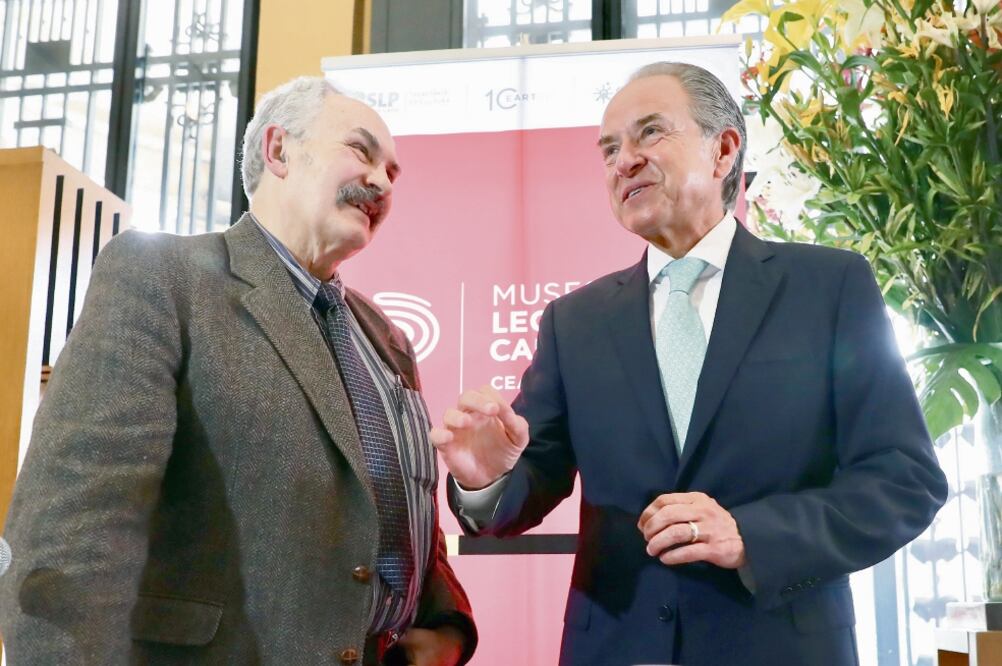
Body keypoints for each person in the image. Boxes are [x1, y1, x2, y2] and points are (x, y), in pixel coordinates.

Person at [432, 62, 947, 665]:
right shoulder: (575, 321)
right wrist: (484, 481)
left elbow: (903, 481)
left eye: (650, 133)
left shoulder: (827, 287)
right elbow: (530, 479)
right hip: (617, 648)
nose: (624, 162)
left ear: (723, 150)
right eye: (609, 150)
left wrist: (751, 535)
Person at [0, 76, 476, 666]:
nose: (381, 181)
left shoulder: (387, 338)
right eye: (361, 151)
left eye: (393, 172)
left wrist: (445, 625)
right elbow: (73, 532)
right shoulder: (165, 278)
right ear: (278, 150)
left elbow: (396, 502)